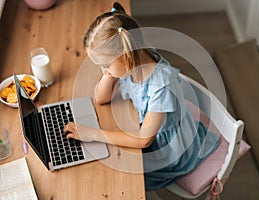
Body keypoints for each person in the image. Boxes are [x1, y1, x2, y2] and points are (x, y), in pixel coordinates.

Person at [64, 2, 219, 191]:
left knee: (118, 176)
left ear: (126, 56)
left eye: (106, 65)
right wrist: (108, 73)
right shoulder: (135, 58)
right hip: (147, 128)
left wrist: (93, 134)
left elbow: (144, 139)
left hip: (169, 149)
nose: (103, 70)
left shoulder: (160, 87)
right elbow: (101, 98)